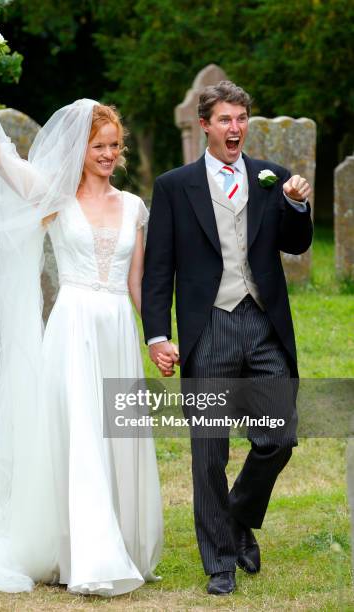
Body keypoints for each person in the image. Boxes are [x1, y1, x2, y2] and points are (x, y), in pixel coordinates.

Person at [0, 58, 163, 596]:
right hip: (74, 328)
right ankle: (86, 555)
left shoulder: (133, 206)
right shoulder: (55, 199)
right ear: (80, 150)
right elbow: (0, 157)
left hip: (118, 335)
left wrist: (157, 336)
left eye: (113, 146)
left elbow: (138, 283)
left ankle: (121, 543)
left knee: (114, 438)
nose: (107, 155)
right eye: (97, 146)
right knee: (79, 435)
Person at [141, 81, 313, 596]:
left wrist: (297, 206)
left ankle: (238, 515)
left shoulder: (271, 179)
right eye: (225, 120)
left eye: (241, 119)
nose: (235, 128)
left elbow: (297, 244)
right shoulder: (175, 185)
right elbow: (158, 268)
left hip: (263, 324)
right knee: (209, 452)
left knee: (279, 436)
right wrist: (156, 335)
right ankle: (219, 561)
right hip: (207, 327)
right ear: (206, 126)